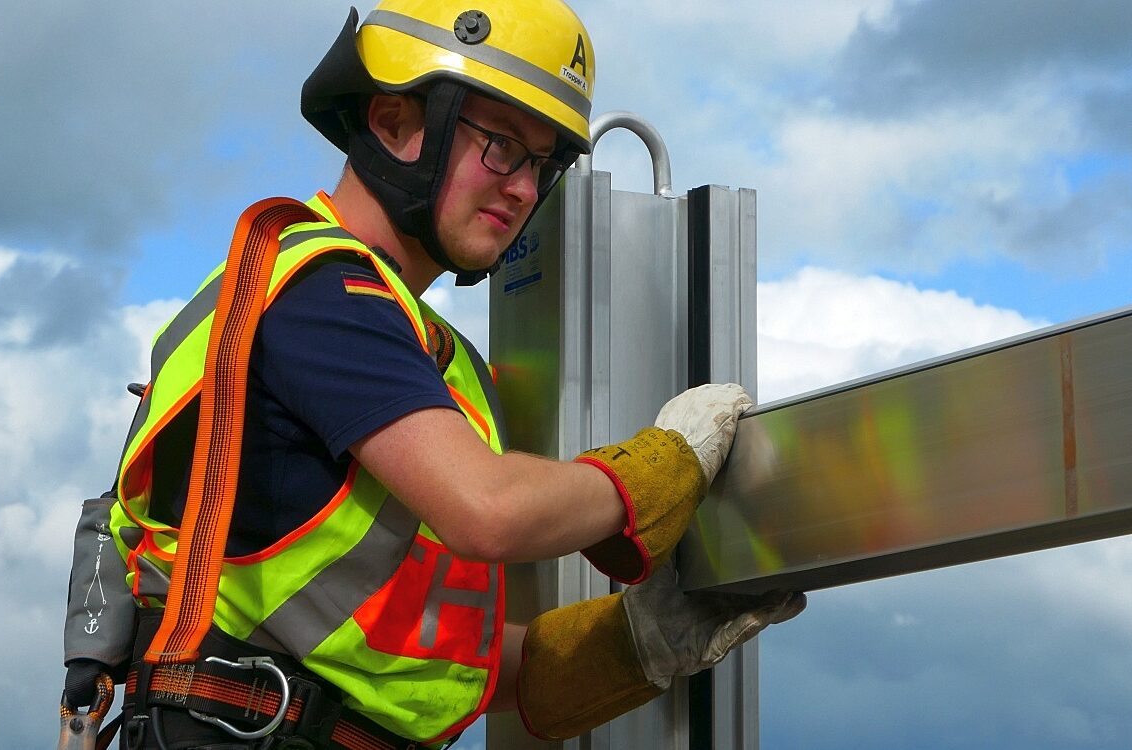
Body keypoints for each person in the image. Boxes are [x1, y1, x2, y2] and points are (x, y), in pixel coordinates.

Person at [63, 1, 805, 747]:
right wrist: (665, 469)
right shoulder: (321, 293)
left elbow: (428, 670)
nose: (525, 189)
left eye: (543, 164)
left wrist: (640, 641)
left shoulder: (426, 353)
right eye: (503, 146)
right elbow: (489, 510)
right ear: (393, 122)